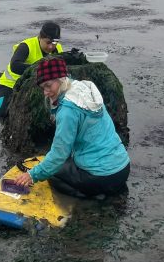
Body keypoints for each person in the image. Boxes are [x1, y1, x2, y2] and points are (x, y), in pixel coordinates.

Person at [14, 57, 130, 198]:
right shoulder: (83, 88)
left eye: (48, 86)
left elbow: (59, 155)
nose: (45, 92)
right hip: (123, 168)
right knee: (61, 163)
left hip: (102, 177)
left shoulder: (67, 111)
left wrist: (32, 175)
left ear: (61, 79)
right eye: (42, 87)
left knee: (52, 173)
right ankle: (109, 190)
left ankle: (91, 196)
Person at [0, 21, 64, 117]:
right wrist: (41, 68)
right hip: (9, 85)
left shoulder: (58, 49)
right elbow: (15, 66)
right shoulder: (26, 46)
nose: (51, 47)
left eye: (54, 43)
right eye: (48, 42)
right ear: (40, 37)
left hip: (35, 87)